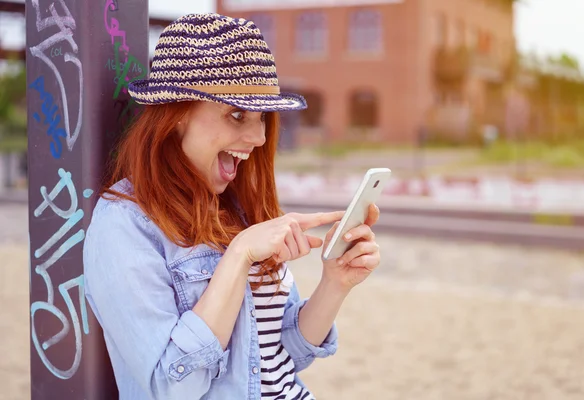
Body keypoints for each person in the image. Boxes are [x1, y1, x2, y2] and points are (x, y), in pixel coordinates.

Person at [83, 13, 381, 400]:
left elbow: (284, 353)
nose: (258, 136)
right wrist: (238, 256)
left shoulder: (236, 206)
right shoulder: (124, 224)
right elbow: (170, 387)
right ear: (176, 116)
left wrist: (335, 282)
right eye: (237, 114)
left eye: (262, 118)